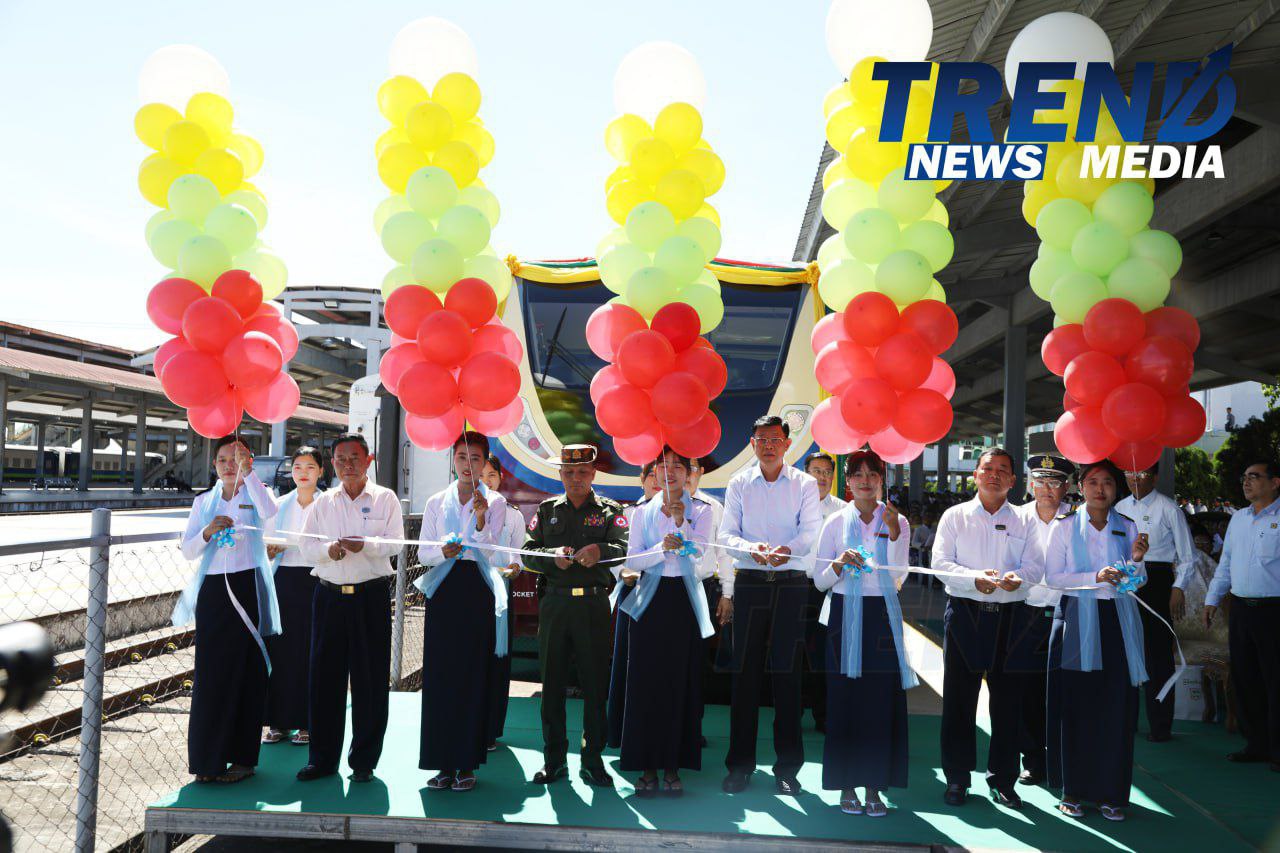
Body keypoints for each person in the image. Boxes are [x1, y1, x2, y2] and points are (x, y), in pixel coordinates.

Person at [931, 447, 1044, 809]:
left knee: (1008, 704)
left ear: (1013, 480)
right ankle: (957, 778)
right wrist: (973, 579)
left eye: (1003, 470)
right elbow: (940, 564)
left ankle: (1003, 780)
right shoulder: (955, 516)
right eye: (988, 468)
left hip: (1013, 618)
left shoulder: (1025, 520)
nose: (994, 475)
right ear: (976, 475)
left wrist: (1018, 578)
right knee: (959, 701)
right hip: (966, 614)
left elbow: (1035, 567)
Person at [717, 415, 822, 796]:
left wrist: (787, 550)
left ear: (787, 443)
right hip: (750, 584)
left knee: (788, 677)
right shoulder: (739, 483)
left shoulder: (805, 483)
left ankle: (788, 769)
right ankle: (739, 766)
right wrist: (752, 549)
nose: (768, 446)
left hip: (791, 585)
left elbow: (810, 531)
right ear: (752, 443)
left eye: (775, 439)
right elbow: (727, 535)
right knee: (743, 676)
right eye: (761, 440)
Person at [1044, 460, 1150, 821]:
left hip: (1118, 621)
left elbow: (1137, 582)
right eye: (1092, 482)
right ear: (1081, 487)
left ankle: (1112, 793)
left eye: (1107, 482)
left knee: (1117, 708)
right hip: (1077, 618)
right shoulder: (1064, 526)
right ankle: (1073, 790)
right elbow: (1054, 578)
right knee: (1077, 705)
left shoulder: (1128, 526)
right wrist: (1095, 576)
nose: (1100, 489)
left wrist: (1137, 561)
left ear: (1117, 489)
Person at [296, 433, 405, 783]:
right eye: (340, 459)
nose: (347, 464)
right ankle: (322, 759)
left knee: (370, 680)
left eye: (354, 457)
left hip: (370, 597)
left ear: (368, 460)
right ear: (332, 463)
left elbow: (396, 543)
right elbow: (305, 546)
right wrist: (328, 551)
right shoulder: (323, 503)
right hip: (329, 597)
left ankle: (364, 761)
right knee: (324, 680)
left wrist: (366, 545)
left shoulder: (385, 498)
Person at [812, 450, 913, 817]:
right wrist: (839, 564)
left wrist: (895, 534)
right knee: (845, 700)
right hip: (844, 615)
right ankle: (846, 785)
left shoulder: (896, 519)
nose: (865, 481)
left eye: (873, 474)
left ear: (882, 480)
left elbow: (898, 576)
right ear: (848, 481)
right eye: (858, 475)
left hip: (882, 615)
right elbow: (819, 579)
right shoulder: (835, 522)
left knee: (879, 703)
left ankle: (874, 786)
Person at [176, 435, 280, 783]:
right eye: (222, 460)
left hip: (248, 586)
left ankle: (243, 760)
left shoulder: (257, 493)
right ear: (214, 465)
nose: (228, 465)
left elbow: (271, 514)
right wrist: (207, 532)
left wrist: (250, 474)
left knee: (248, 670)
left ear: (247, 460)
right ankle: (207, 760)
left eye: (235, 458)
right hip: (214, 592)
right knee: (211, 674)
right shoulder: (203, 502)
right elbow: (188, 550)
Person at [524, 444, 628, 787]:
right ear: (560, 474)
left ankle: (592, 760)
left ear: (593, 474)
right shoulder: (547, 510)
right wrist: (551, 556)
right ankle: (554, 761)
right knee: (552, 686)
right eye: (569, 472)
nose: (576, 478)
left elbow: (625, 548)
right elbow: (525, 553)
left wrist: (601, 550)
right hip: (555, 606)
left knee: (595, 687)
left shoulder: (611, 511)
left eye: (583, 472)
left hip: (593, 606)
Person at [618, 448, 717, 796]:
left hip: (684, 600)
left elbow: (700, 554)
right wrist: (661, 548)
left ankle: (674, 766)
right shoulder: (641, 512)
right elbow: (633, 560)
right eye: (663, 464)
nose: (670, 471)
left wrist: (680, 523)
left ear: (690, 473)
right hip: (649, 600)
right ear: (654, 472)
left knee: (680, 682)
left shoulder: (701, 510)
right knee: (646, 682)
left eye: (678, 465)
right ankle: (646, 766)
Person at [416, 433, 512, 791]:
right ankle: (442, 763)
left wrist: (482, 520)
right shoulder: (435, 501)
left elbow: (490, 552)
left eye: (475, 459)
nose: (468, 465)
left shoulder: (495, 502)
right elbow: (423, 552)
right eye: (461, 457)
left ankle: (467, 763)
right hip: (443, 589)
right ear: (452, 460)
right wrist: (442, 551)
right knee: (440, 675)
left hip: (476, 589)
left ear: (484, 463)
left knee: (472, 675)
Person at [1204, 461, 1280, 772]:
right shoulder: (1238, 519)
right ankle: (1256, 744)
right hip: (1241, 609)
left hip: (1274, 611)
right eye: (1244, 477)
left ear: (1275, 482)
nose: (1247, 482)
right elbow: (1226, 564)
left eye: (1254, 477)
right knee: (1246, 678)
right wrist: (1212, 599)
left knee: (1275, 680)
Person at [1118, 463, 1196, 743]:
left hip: (1158, 580)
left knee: (1158, 655)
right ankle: (1125, 722)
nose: (1135, 479)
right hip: (1126, 576)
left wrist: (1178, 587)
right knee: (1124, 650)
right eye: (1130, 473)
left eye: (1141, 474)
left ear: (1155, 477)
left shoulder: (1168, 508)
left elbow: (1188, 556)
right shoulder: (1119, 507)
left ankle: (1160, 725)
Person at [1012, 454, 1075, 787]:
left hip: (1068, 613)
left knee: (1065, 691)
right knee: (1028, 691)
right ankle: (1034, 760)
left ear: (1066, 486)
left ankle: (1065, 760)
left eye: (1054, 482)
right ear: (1031, 484)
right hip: (1027, 612)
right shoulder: (1016, 517)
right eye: (1041, 481)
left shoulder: (1077, 519)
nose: (1047, 489)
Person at [262, 446, 327, 747]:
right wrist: (270, 550)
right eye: (298, 466)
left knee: (312, 651)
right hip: (284, 582)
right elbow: (265, 544)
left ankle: (308, 722)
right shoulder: (279, 505)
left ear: (321, 471)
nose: (303, 473)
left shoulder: (329, 503)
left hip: (318, 580)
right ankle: (278, 721)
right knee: (281, 651)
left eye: (310, 467)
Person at [607, 460, 659, 750]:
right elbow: (615, 553)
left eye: (662, 474)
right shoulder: (627, 513)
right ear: (641, 478)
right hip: (633, 591)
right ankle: (622, 731)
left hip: (665, 591)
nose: (656, 480)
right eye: (651, 475)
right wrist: (623, 571)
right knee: (628, 663)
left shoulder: (680, 513)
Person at [481, 453, 526, 751]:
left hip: (500, 593)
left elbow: (518, 555)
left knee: (498, 660)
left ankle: (491, 729)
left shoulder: (513, 515)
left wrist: (514, 568)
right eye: (480, 476)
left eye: (492, 476)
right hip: (470, 591)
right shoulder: (461, 509)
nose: (486, 482)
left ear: (501, 478)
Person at [803, 451, 848, 734]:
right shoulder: (792, 506)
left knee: (825, 653)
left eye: (827, 472)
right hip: (796, 586)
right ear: (805, 474)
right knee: (794, 653)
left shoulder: (844, 510)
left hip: (830, 591)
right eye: (816, 471)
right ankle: (790, 716)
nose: (822, 477)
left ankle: (824, 715)